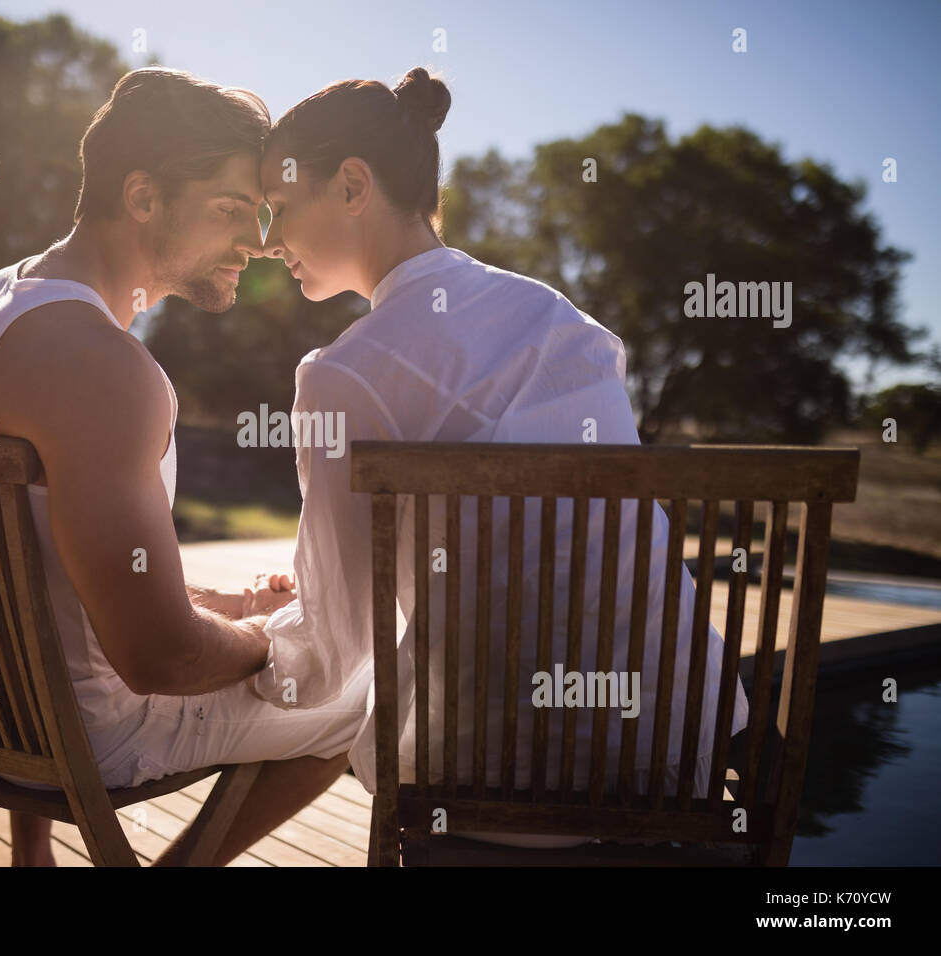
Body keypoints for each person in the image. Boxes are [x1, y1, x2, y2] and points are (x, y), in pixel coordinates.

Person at [253, 67, 750, 847]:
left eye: (278, 209)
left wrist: (241, 642)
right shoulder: (560, 320)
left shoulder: (342, 374)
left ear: (353, 184)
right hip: (675, 742)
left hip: (497, 774)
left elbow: (338, 644)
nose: (267, 242)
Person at [0, 68, 370, 866]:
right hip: (80, 731)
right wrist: (276, 640)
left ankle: (36, 857)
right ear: (143, 198)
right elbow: (160, 657)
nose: (260, 242)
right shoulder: (104, 367)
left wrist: (225, 602)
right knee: (358, 697)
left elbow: (46, 565)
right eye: (233, 208)